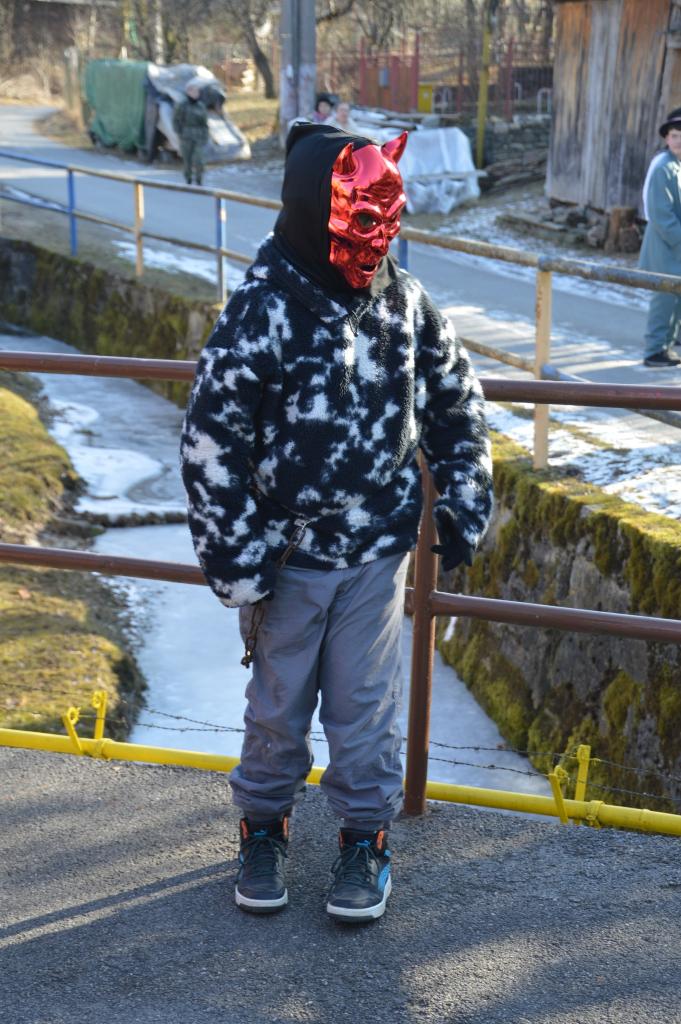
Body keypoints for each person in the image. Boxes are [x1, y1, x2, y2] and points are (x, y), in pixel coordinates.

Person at [180, 123, 493, 923]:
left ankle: (364, 838)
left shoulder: (403, 301)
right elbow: (213, 438)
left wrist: (463, 496)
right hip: (286, 557)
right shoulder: (261, 309)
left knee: (365, 709)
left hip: (377, 552)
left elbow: (455, 401)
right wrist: (238, 559)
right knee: (276, 710)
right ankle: (262, 827)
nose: (372, 240)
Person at [640, 107, 681, 367]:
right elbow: (661, 215)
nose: (679, 141)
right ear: (667, 138)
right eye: (675, 136)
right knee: (664, 298)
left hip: (676, 245)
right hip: (665, 245)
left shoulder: (677, 165)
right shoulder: (663, 168)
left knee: (676, 298)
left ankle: (667, 345)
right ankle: (654, 350)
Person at [172, 84, 209, 185]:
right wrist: (179, 132)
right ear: (188, 92)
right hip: (186, 136)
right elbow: (176, 120)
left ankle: (199, 179)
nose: (196, 94)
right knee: (187, 160)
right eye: (193, 92)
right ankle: (188, 179)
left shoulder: (201, 106)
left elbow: (205, 124)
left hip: (199, 136)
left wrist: (205, 135)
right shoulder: (182, 105)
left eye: (197, 92)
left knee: (199, 159)